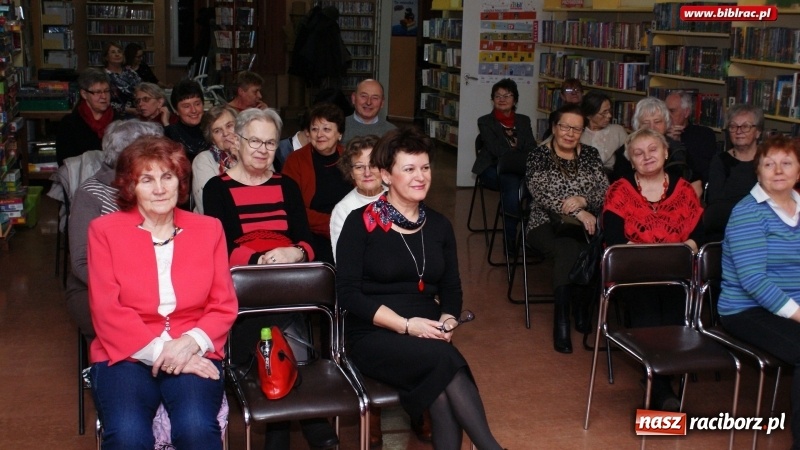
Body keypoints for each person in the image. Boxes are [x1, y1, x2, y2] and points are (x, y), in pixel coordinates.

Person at [336, 127, 505, 450]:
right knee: (445, 363)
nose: (421, 176)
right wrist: (406, 325)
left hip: (428, 332)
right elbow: (348, 295)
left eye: (425, 167)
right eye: (410, 169)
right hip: (373, 333)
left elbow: (452, 287)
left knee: (440, 387)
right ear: (386, 175)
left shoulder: (439, 225)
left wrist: (448, 319)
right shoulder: (360, 223)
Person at [86, 135, 238, 449]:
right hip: (124, 353)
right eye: (147, 180)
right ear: (131, 187)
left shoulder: (209, 229)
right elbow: (106, 310)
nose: (159, 189)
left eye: (167, 177)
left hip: (192, 348)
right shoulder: (104, 231)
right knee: (128, 435)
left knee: (196, 428)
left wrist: (190, 343)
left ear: (180, 181)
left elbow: (223, 303)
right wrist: (163, 353)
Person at [202, 108, 339, 450]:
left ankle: (277, 424)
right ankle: (309, 421)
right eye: (254, 141)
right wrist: (258, 261)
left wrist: (297, 253)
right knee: (282, 317)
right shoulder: (217, 188)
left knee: (285, 304)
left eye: (270, 143)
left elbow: (306, 239)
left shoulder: (286, 186)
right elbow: (221, 245)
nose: (262, 150)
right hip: (246, 282)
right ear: (236, 141)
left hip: (288, 277)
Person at [603, 127, 704, 411]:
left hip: (676, 274)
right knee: (647, 316)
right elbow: (614, 238)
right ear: (631, 161)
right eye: (638, 153)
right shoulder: (619, 190)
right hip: (634, 275)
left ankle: (660, 383)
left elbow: (699, 233)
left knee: (674, 318)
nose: (646, 156)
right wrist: (648, 258)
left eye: (653, 150)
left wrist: (684, 250)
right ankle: (661, 389)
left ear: (666, 153)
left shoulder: (684, 190)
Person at [717, 134, 800, 450]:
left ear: (798, 170)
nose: (778, 171)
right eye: (769, 164)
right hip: (745, 310)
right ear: (758, 171)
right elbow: (754, 282)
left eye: (786, 163)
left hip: (791, 305)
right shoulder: (748, 212)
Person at [67, 120, 164, 341]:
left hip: (153, 284)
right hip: (98, 288)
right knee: (131, 332)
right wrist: (128, 291)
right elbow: (81, 263)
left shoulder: (157, 190)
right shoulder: (90, 194)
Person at [526, 104, 608, 354]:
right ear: (554, 127)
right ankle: (562, 321)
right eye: (565, 127)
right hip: (545, 223)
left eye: (577, 129)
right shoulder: (539, 156)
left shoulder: (591, 155)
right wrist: (577, 212)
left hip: (586, 224)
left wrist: (584, 201)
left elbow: (605, 189)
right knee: (568, 249)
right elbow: (541, 193)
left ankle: (581, 308)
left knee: (593, 247)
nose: (570, 133)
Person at [282, 102, 353, 264]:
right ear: (308, 134)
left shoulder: (350, 158)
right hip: (311, 233)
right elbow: (293, 208)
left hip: (350, 230)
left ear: (339, 134)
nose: (320, 134)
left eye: (326, 129)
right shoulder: (295, 160)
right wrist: (334, 223)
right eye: (314, 129)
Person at [472, 78, 537, 252]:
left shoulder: (523, 120)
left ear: (515, 100)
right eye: (497, 96)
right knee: (513, 185)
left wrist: (517, 155)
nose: (502, 99)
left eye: (507, 95)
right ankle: (510, 239)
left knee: (535, 185)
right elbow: (496, 150)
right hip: (492, 168)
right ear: (492, 99)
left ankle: (528, 237)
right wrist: (518, 153)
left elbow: (531, 147)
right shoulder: (485, 121)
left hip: (520, 169)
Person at [611, 97, 697, 195]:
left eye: (657, 122)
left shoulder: (677, 149)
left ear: (666, 124)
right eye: (645, 123)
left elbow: (696, 182)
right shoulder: (625, 151)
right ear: (637, 126)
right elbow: (619, 189)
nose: (652, 127)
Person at [704, 104, 762, 241]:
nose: (738, 131)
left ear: (758, 132)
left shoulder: (768, 161)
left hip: (762, 231)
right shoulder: (720, 161)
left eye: (745, 126)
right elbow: (715, 208)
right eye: (733, 126)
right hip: (725, 231)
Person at [330, 135, 382, 260]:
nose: (367, 173)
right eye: (359, 167)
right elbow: (343, 259)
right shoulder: (343, 210)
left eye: (374, 165)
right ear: (351, 173)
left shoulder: (398, 197)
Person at [56, 68, 115, 165]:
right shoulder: (69, 124)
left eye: (107, 91)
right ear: (84, 94)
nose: (104, 96)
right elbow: (65, 163)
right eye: (98, 92)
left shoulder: (118, 121)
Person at [192, 105, 239, 214]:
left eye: (229, 126)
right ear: (212, 139)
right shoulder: (203, 160)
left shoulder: (255, 154)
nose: (225, 133)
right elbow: (209, 207)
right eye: (217, 131)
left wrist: (242, 158)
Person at [665, 90, 718, 185]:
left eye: (672, 111)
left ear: (686, 112)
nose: (666, 116)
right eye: (664, 111)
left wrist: (677, 144)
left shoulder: (704, 135)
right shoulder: (658, 135)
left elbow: (703, 173)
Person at [580, 91, 627, 172]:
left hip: (613, 175)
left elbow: (630, 156)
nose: (609, 116)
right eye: (604, 113)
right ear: (589, 115)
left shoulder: (618, 131)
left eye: (609, 111)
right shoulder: (579, 134)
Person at [341, 79, 396, 145]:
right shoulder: (338, 126)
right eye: (364, 96)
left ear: (382, 102)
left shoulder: (392, 132)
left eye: (375, 98)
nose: (368, 102)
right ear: (353, 98)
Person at [165, 79, 207, 162]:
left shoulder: (214, 129)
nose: (193, 110)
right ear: (176, 110)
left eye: (197, 104)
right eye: (186, 106)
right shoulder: (168, 135)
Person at [103, 42, 141, 118]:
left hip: (136, 113)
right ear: (106, 57)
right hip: (112, 115)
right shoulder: (102, 75)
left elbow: (141, 91)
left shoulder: (131, 73)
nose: (117, 54)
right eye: (113, 52)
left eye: (119, 52)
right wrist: (127, 110)